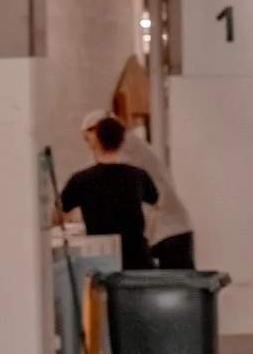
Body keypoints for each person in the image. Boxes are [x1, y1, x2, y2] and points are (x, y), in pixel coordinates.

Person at [83, 110, 195, 269]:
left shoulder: (124, 150)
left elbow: (108, 184)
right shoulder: (128, 144)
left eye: (88, 139)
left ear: (98, 132)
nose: (89, 146)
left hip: (168, 232)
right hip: (168, 230)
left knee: (174, 283)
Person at [60, 117, 161, 269]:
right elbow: (155, 204)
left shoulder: (82, 179)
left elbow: (57, 216)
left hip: (102, 260)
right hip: (138, 259)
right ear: (121, 142)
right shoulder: (138, 175)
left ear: (96, 140)